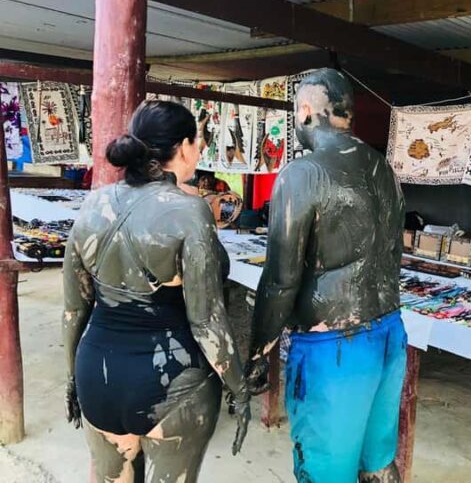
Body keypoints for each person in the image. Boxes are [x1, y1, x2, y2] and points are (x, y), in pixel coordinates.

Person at [62, 101, 251, 483]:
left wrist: (72, 378)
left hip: (96, 373)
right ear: (184, 147)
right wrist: (239, 388)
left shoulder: (93, 203)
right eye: (198, 142)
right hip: (171, 381)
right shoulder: (189, 211)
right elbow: (206, 322)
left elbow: (73, 310)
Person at [248, 68, 407, 483]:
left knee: (323, 474)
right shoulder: (384, 169)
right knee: (378, 466)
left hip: (335, 349)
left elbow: (280, 281)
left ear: (305, 112)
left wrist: (257, 351)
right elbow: (394, 253)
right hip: (389, 331)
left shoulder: (301, 174)